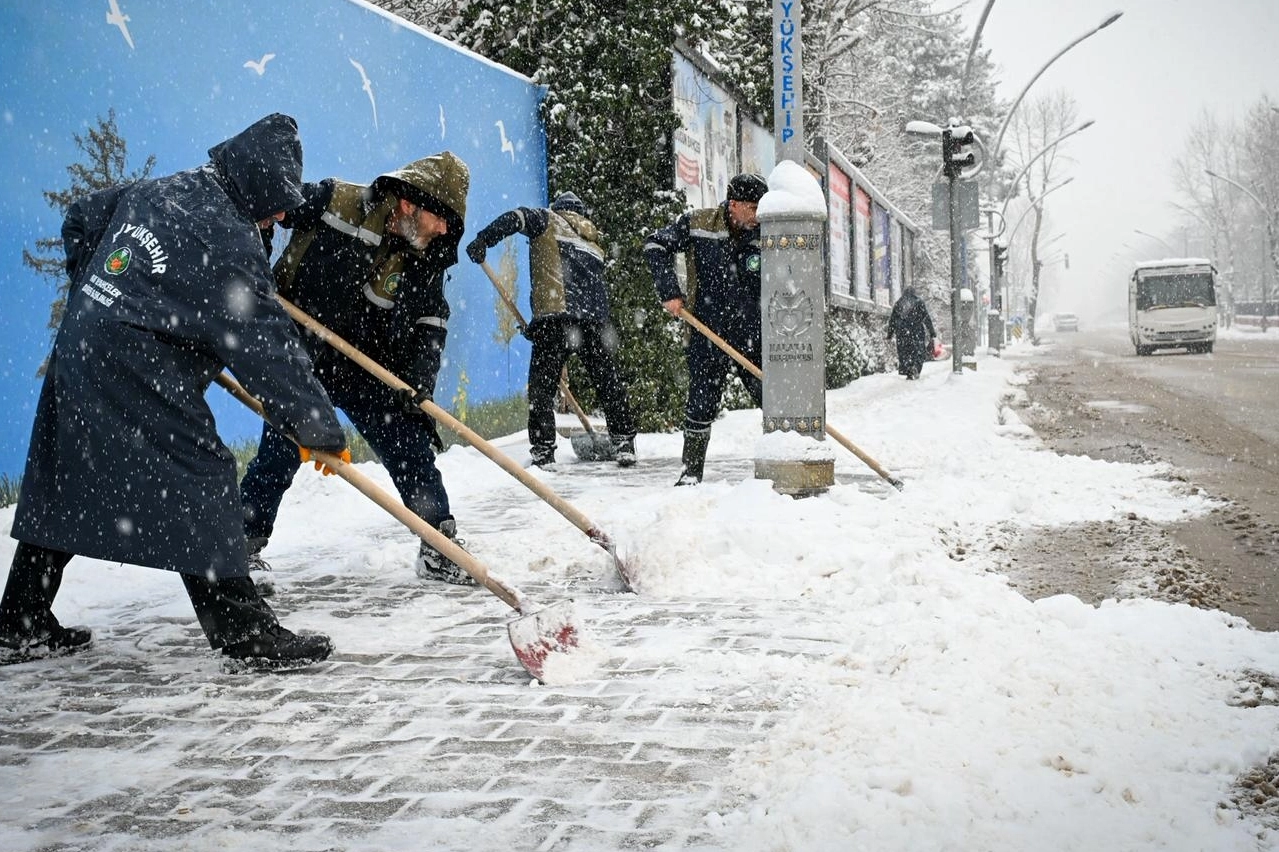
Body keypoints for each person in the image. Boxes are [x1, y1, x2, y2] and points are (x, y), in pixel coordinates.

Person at [0, 113, 348, 668]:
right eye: (278, 200)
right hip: (134, 367)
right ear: (258, 183)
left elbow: (80, 218)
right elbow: (268, 346)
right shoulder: (226, 237)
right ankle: (245, 636)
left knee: (69, 476)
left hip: (82, 348)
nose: (283, 214)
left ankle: (20, 622)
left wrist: (102, 295)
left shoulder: (162, 189)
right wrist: (318, 428)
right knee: (200, 476)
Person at [237, 151, 476, 586]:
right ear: (410, 203)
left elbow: (430, 322)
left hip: (365, 368)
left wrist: (419, 384)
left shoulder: (426, 253)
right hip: (304, 357)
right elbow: (266, 209)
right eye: (441, 218)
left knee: (409, 446)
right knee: (279, 452)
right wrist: (256, 270)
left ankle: (439, 546)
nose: (445, 230)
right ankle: (240, 548)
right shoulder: (335, 202)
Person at [465, 192, 637, 468]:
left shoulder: (547, 219)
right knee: (607, 381)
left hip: (557, 320)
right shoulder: (593, 240)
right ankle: (624, 441)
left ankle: (544, 451)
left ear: (558, 209)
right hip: (595, 322)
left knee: (542, 389)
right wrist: (538, 327)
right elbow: (581, 290)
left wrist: (484, 239)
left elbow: (516, 218)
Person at [643, 173, 767, 486]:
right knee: (701, 403)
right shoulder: (699, 224)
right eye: (753, 208)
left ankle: (784, 463)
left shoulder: (768, 231)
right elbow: (655, 245)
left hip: (752, 335)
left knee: (771, 399)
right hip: (707, 331)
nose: (758, 215)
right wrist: (670, 292)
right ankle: (690, 473)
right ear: (734, 204)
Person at [887, 286, 938, 380]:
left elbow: (892, 320)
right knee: (918, 352)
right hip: (916, 332)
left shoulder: (899, 303)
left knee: (905, 353)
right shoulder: (919, 302)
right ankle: (915, 367)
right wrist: (932, 332)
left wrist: (890, 334)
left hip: (902, 333)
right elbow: (926, 318)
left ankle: (909, 369)